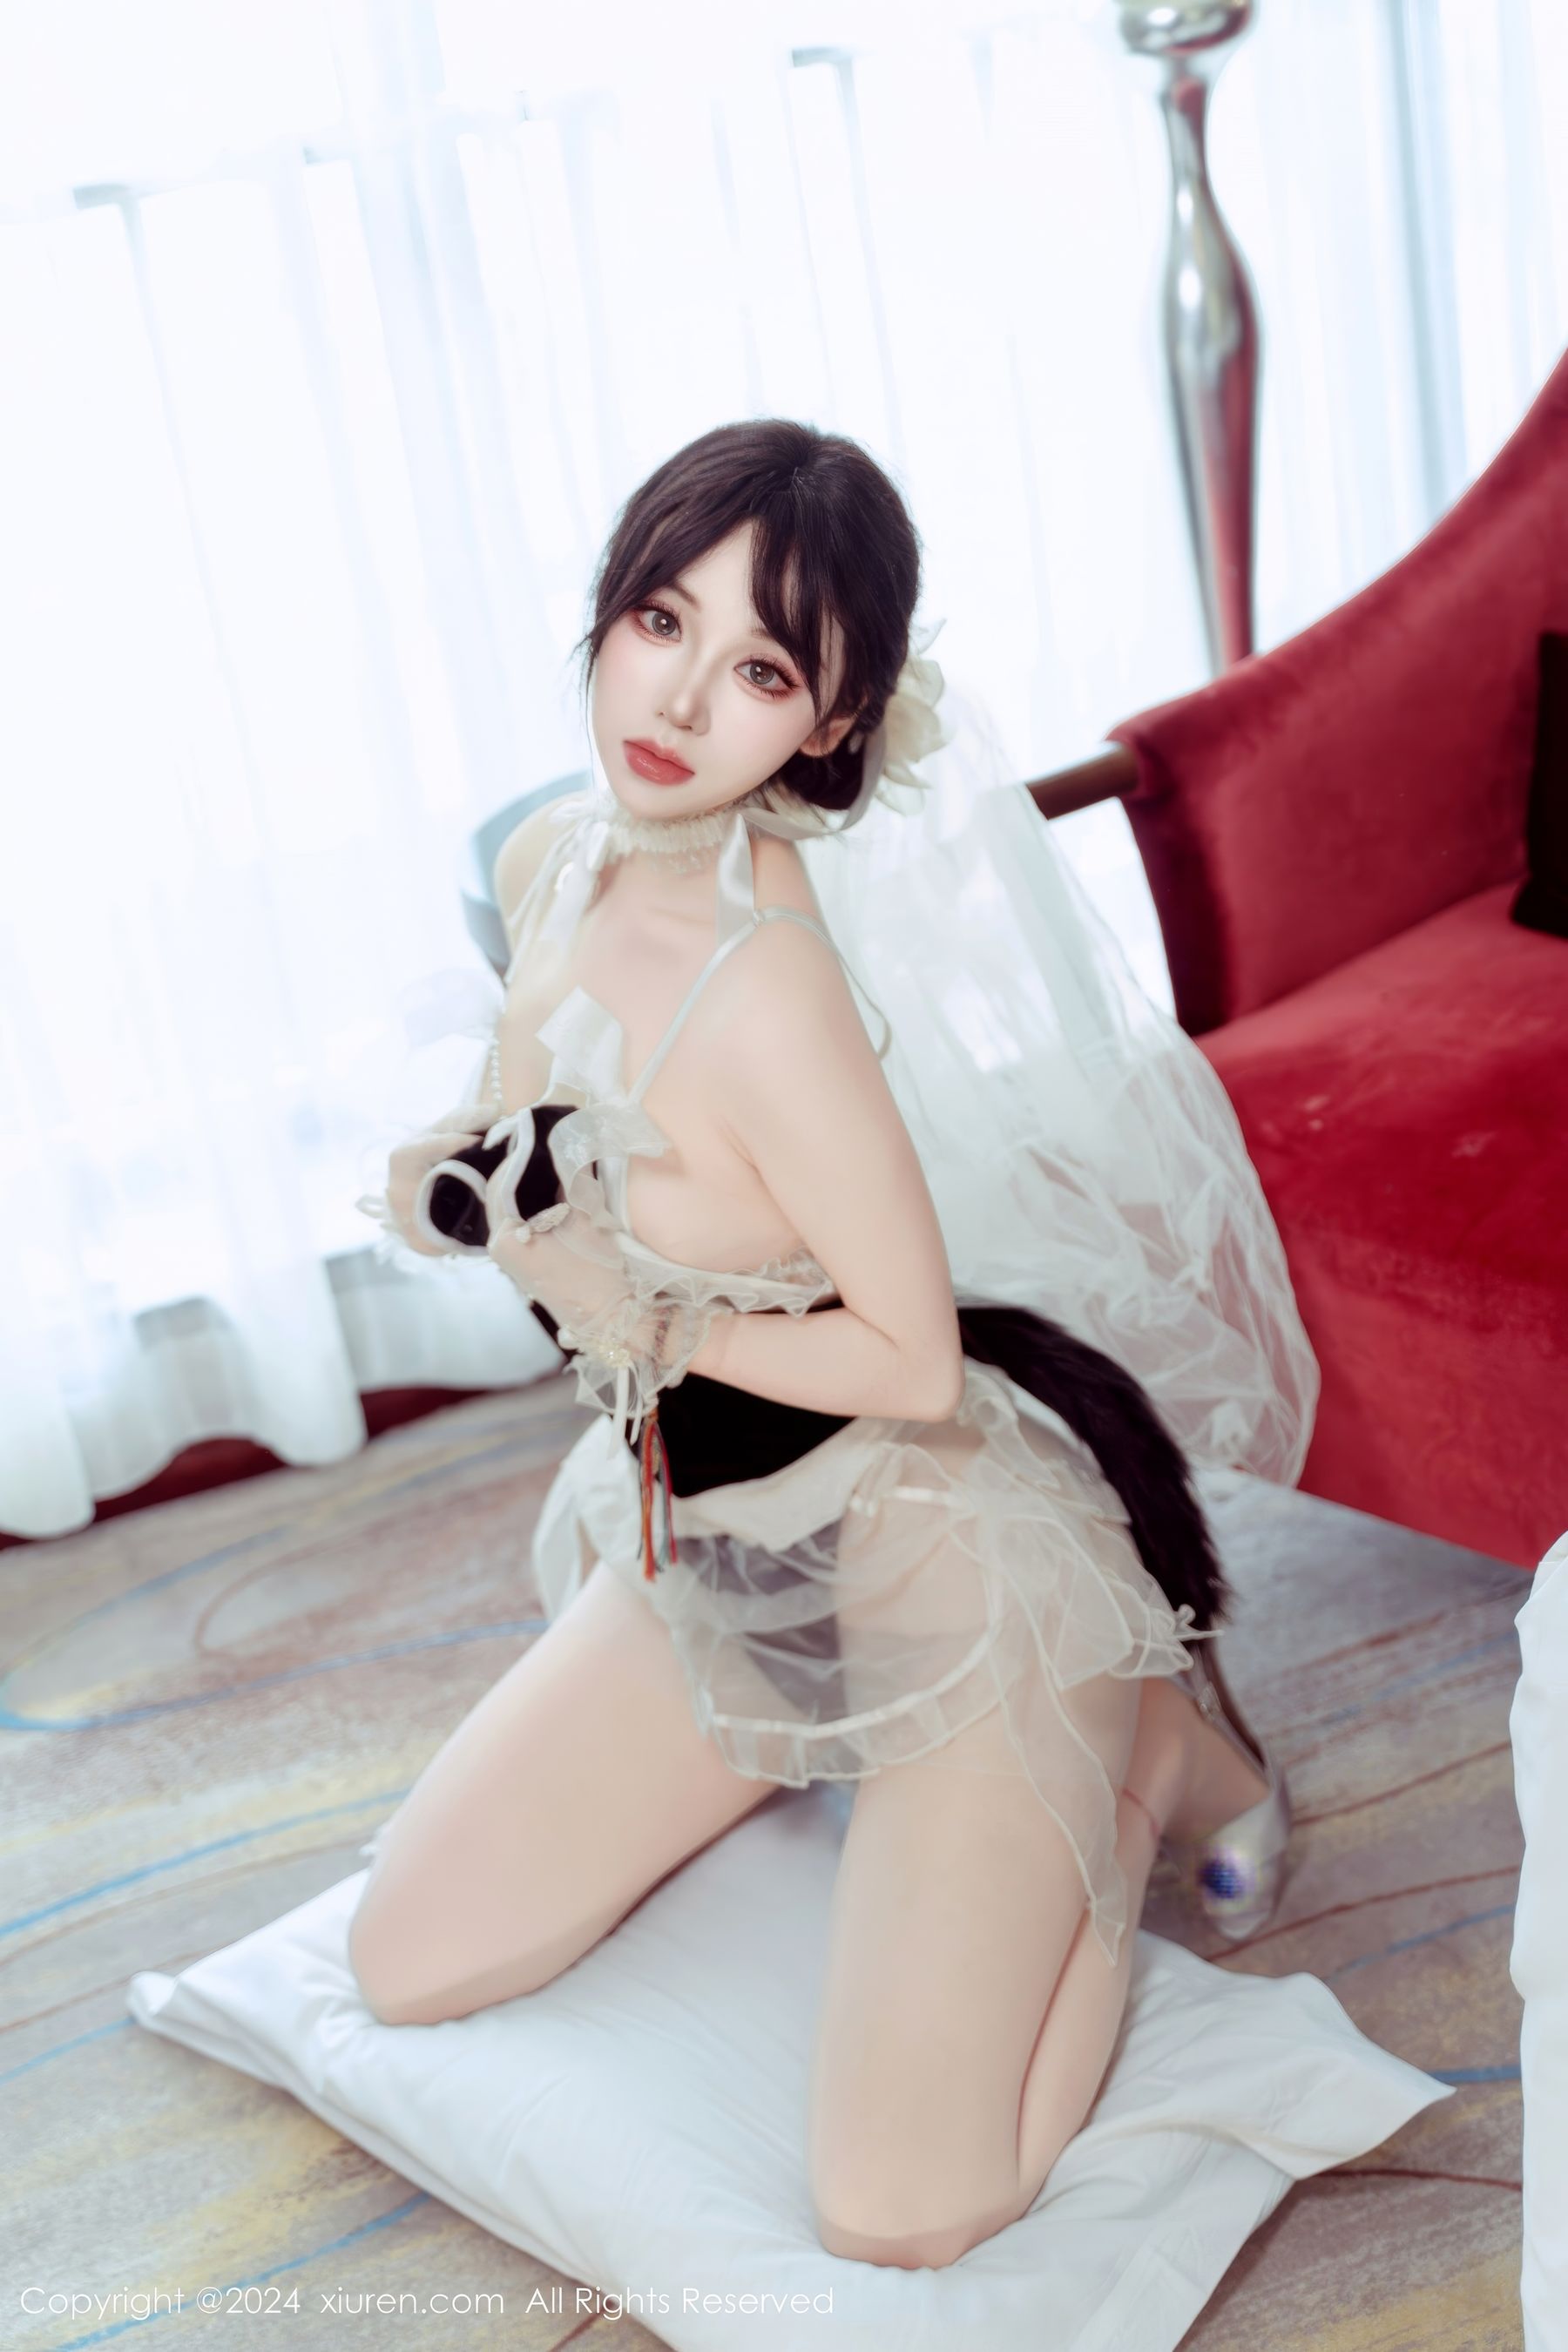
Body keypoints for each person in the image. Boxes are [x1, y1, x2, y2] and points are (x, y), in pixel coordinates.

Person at [348, 417, 1316, 2272]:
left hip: (919, 1534)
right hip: (710, 1532)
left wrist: (650, 1311)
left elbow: (917, 1362)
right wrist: (476, 1182)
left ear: (835, 716)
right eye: (660, 620)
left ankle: (1151, 1763)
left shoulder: (767, 992)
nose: (677, 699)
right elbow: (552, 1143)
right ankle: (823, 1750)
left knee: (911, 2203)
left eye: (763, 669)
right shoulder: (560, 855)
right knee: (411, 1957)